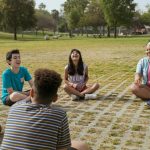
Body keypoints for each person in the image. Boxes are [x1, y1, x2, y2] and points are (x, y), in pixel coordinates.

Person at [0, 68, 89, 150]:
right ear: (55, 98)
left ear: (31, 93)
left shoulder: (14, 108)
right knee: (82, 146)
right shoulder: (59, 115)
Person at [130, 42, 150, 106]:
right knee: (133, 87)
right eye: (147, 50)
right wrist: (137, 77)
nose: (148, 52)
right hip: (147, 87)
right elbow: (138, 73)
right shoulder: (142, 61)